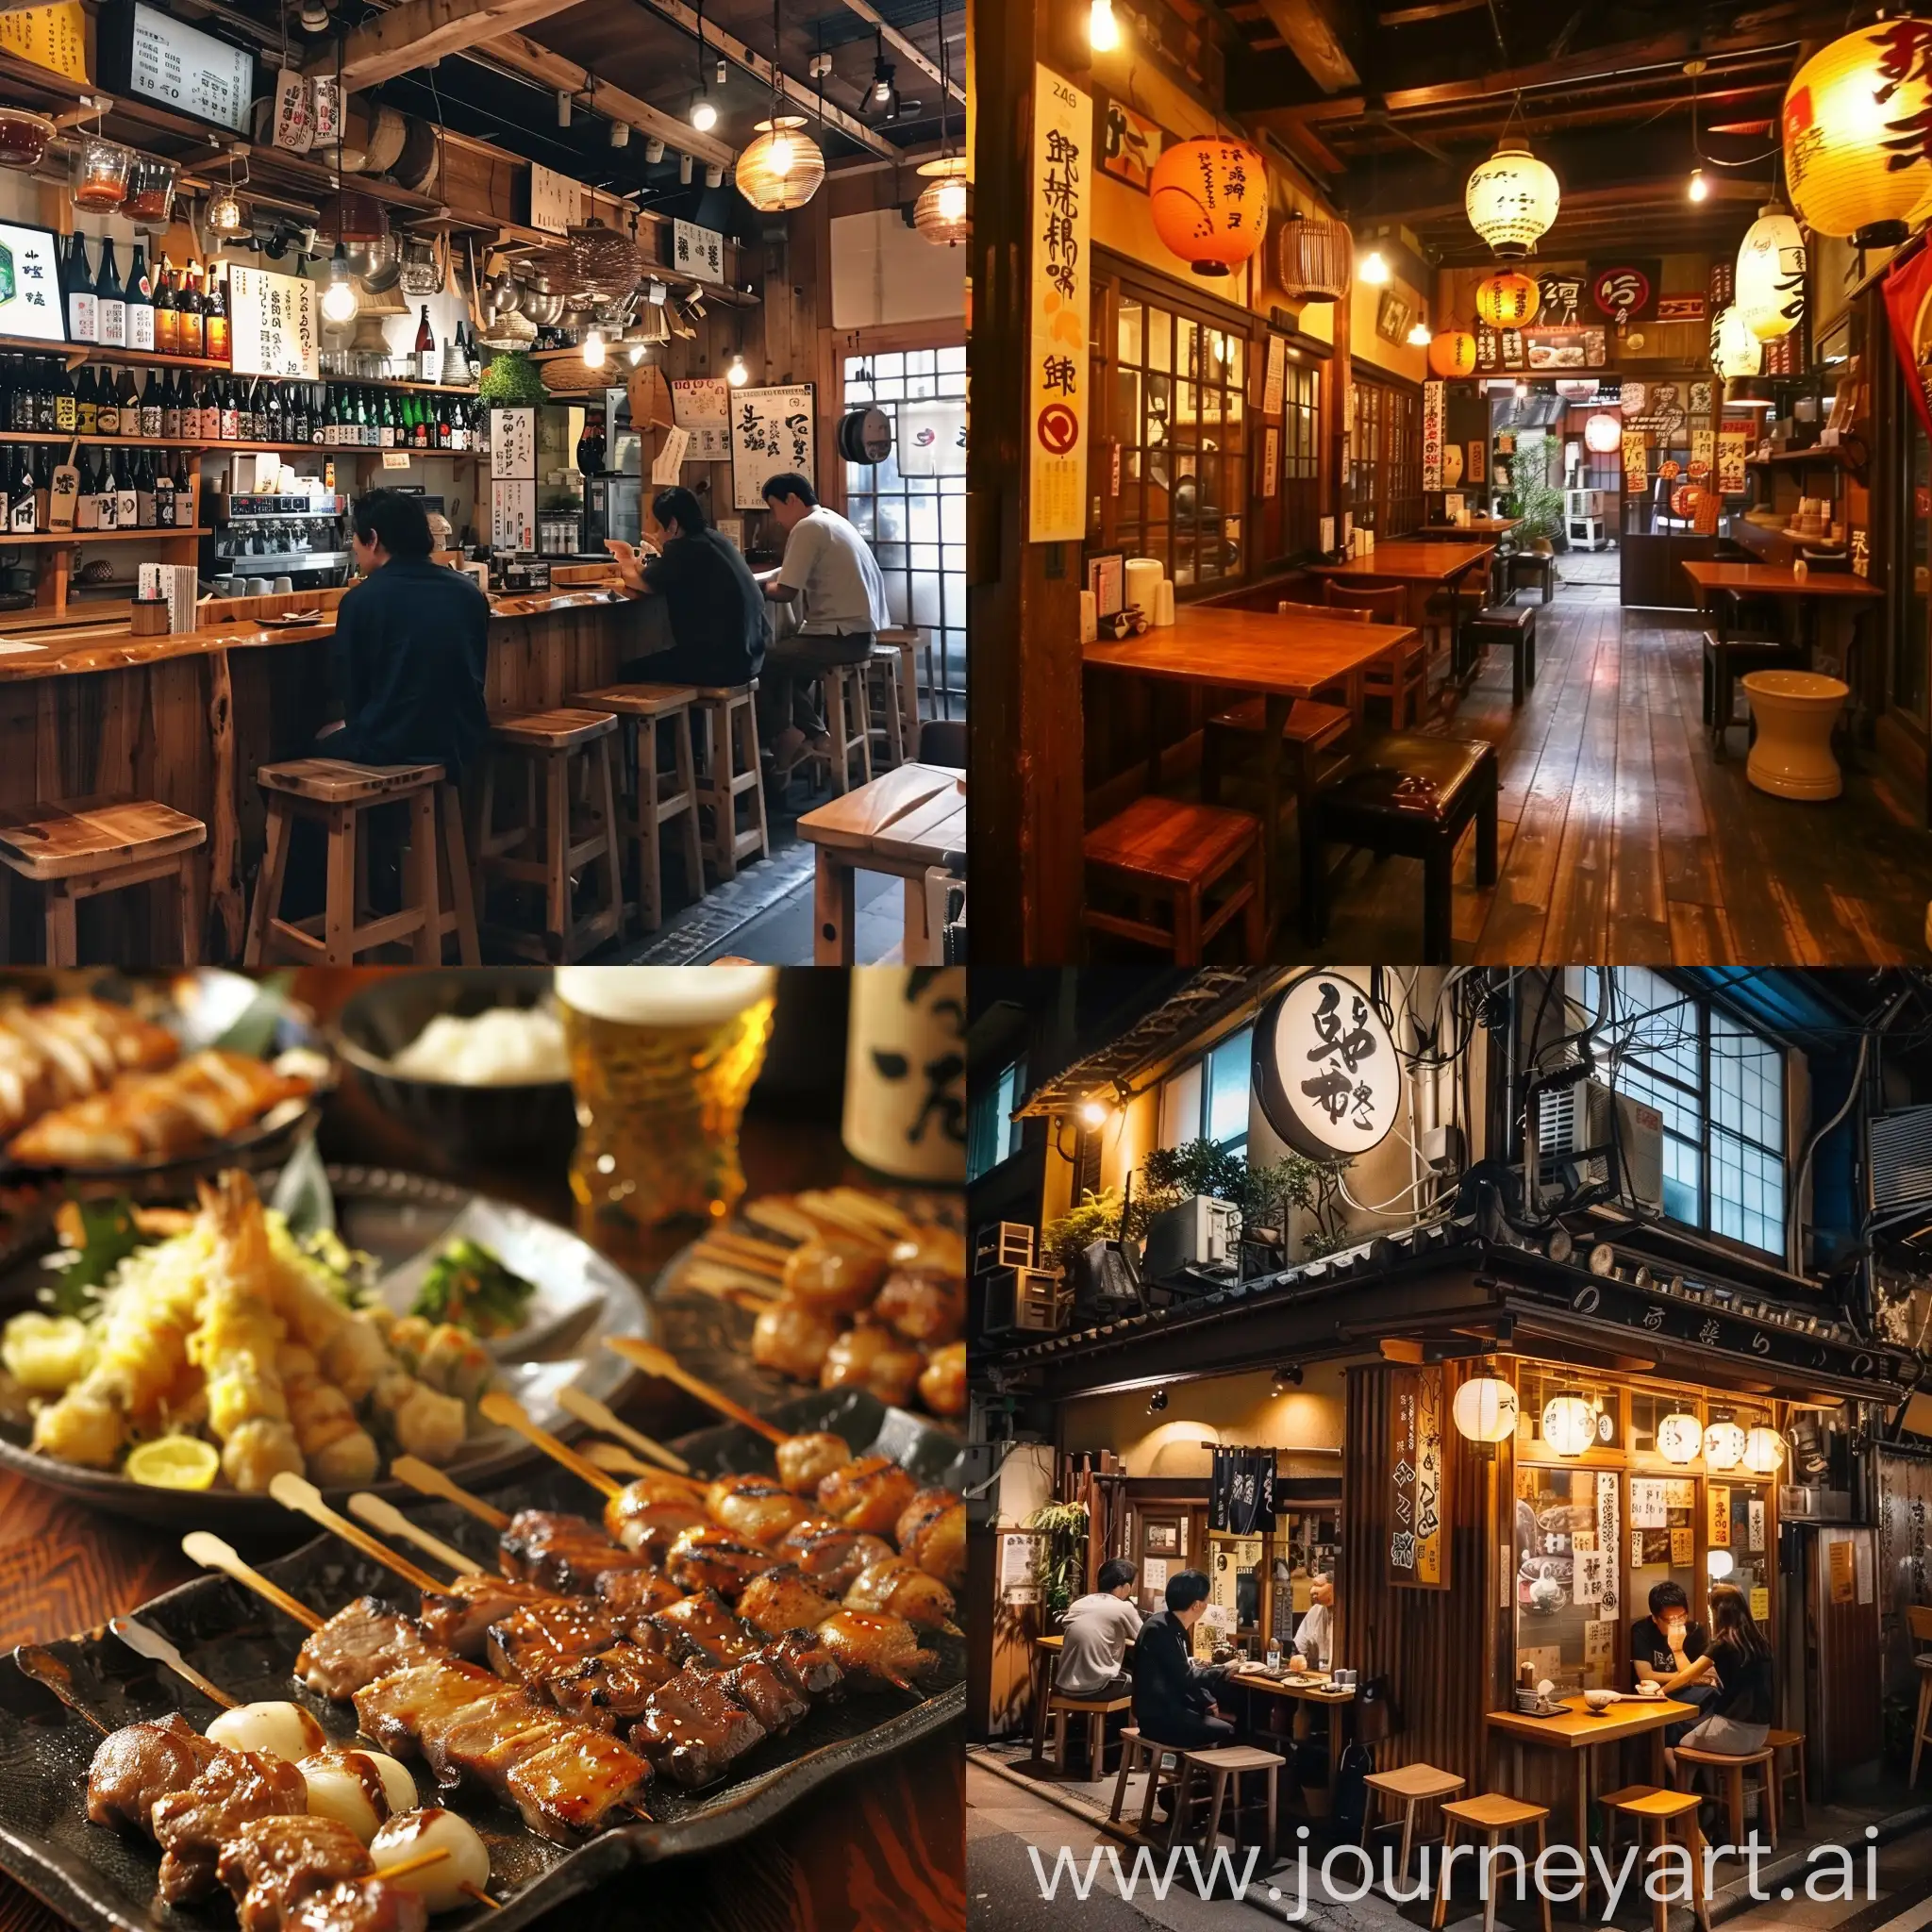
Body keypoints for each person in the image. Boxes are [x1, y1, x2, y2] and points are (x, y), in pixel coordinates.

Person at [327, 489, 489, 773]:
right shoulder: (469, 591)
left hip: (391, 745)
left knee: (287, 753)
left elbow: (353, 696)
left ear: (373, 539)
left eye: (355, 536)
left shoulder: (360, 601)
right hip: (461, 739)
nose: (353, 545)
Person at [755, 472, 891, 774]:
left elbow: (787, 591)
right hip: (859, 633)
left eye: (775, 508)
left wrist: (753, 586)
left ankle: (794, 736)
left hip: (841, 638)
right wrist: (766, 580)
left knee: (765, 661)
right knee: (788, 664)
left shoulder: (808, 527)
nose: (776, 519)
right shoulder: (832, 520)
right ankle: (808, 736)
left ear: (791, 499)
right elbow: (788, 575)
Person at [604, 487, 768, 688]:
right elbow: (660, 573)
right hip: (751, 657)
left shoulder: (683, 548)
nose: (657, 533)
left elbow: (641, 583)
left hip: (719, 664)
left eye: (659, 525)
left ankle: (673, 720)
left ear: (672, 524)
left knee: (628, 673)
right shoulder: (716, 539)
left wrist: (624, 555)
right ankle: (691, 720)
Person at [1130, 1570, 1237, 1751]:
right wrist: (1224, 1670)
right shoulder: (1161, 1630)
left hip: (1158, 1711)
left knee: (1215, 1711)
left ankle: (1196, 1773)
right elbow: (1185, 1678)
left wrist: (1207, 1699)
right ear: (1196, 1605)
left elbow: (1180, 1675)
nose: (1208, 1603)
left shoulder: (1165, 1623)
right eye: (1206, 1599)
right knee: (1230, 1730)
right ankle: (1209, 1776)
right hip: (1159, 1719)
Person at [1672, 1582, 1774, 1770]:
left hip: (1734, 1731)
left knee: (1677, 1743)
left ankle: (1690, 1795)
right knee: (1700, 1739)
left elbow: (1688, 1675)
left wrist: (1660, 1691)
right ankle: (1713, 1794)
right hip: (1761, 1732)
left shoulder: (1722, 1642)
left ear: (1718, 1612)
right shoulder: (1758, 1641)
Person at [1054, 1559, 1141, 1701]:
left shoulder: (1079, 1604)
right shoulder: (1123, 1607)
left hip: (1064, 1685)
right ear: (1125, 1587)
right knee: (1144, 1683)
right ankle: (1131, 1724)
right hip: (1098, 1686)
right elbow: (1147, 1637)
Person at [1294, 1573, 1335, 1671]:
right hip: (1316, 1670)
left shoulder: (1347, 1614)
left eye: (1318, 1585)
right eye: (1313, 1586)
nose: (1313, 1590)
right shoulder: (1315, 1610)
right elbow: (1301, 1646)